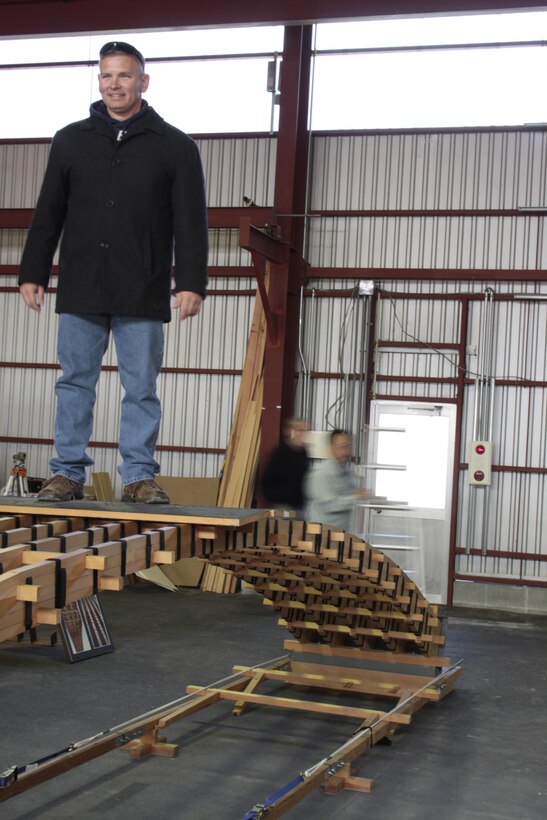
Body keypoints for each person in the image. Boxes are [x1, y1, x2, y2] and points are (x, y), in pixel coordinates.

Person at [18, 41, 208, 504]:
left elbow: (190, 220)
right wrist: (33, 271)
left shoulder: (176, 147)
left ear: (143, 82)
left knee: (140, 388)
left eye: (124, 76)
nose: (114, 84)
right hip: (82, 282)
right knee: (74, 382)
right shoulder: (69, 140)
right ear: (99, 81)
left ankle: (139, 476)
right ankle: (67, 473)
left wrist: (190, 283)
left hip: (141, 286)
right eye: (106, 76)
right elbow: (49, 212)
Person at [305, 429, 368, 531]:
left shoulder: (346, 472)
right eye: (342, 447)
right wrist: (355, 497)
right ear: (331, 448)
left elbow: (352, 494)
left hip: (341, 533)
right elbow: (329, 505)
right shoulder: (321, 474)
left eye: (348, 446)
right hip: (323, 535)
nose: (346, 451)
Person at [260, 417, 310, 516]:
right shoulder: (281, 452)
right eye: (299, 430)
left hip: (299, 506)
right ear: (290, 431)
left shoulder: (303, 452)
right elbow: (266, 480)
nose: (302, 434)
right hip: (281, 507)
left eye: (306, 430)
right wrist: (276, 502)